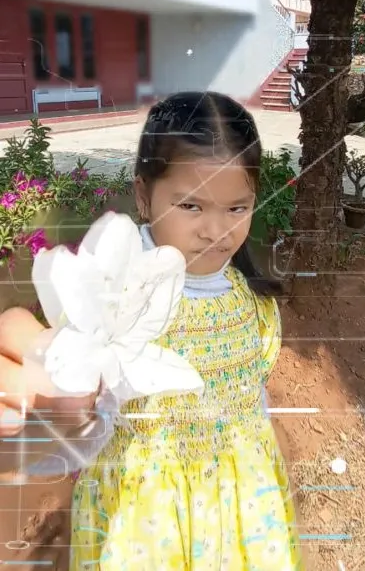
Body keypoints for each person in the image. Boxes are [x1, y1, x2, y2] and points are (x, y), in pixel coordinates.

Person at [0, 92, 304, 570]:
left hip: (243, 508)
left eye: (236, 208)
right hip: (143, 523)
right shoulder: (113, 297)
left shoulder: (253, 304)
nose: (215, 231)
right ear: (144, 195)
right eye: (190, 205)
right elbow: (74, 401)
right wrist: (52, 405)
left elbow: (253, 401)